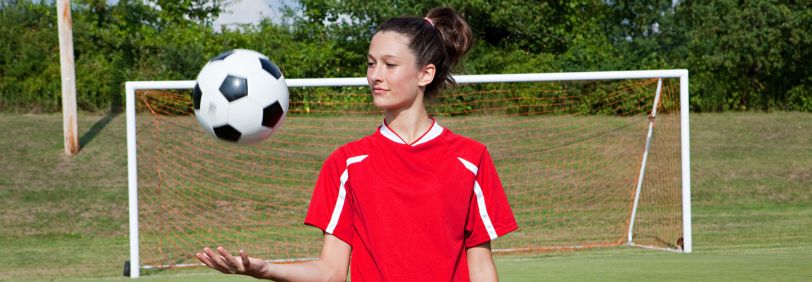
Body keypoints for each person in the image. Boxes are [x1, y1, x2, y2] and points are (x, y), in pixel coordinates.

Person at [196, 7, 518, 281]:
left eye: (390, 65)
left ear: (425, 74)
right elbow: (331, 271)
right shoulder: (346, 163)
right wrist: (265, 268)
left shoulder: (470, 158)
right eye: (371, 63)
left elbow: (480, 265)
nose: (375, 75)